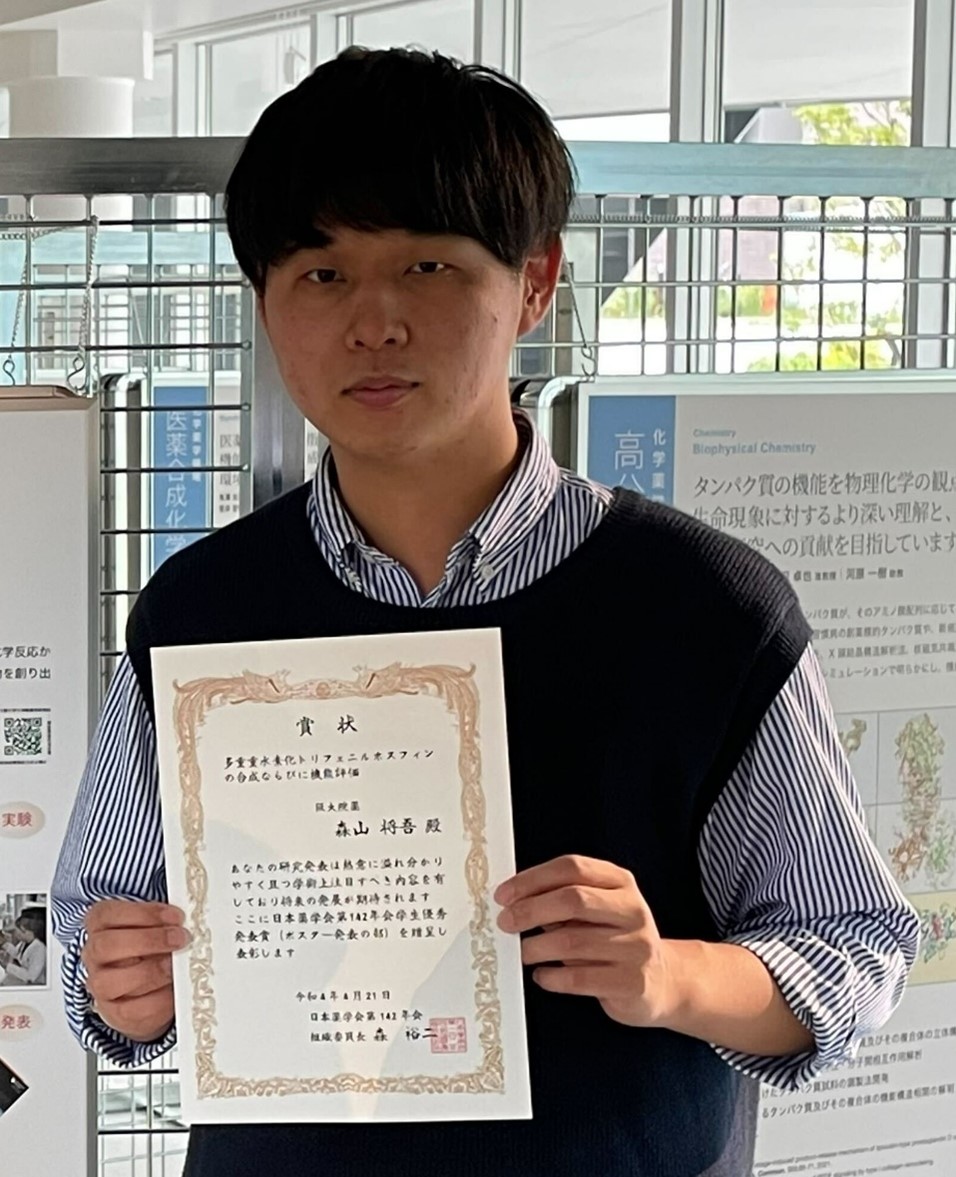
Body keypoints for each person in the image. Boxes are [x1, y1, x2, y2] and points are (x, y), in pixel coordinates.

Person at [52, 46, 919, 1177]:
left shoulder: (704, 608)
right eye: (321, 272)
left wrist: (669, 974)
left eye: (427, 265)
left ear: (535, 281)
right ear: (263, 301)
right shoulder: (202, 612)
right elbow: (96, 934)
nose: (373, 323)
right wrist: (122, 988)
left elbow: (852, 947)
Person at [0, 908, 47, 987]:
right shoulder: (24, 943)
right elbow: (17, 955)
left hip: (35, 986)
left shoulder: (39, 949)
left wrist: (8, 966)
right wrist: (5, 945)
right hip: (22, 982)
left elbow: (31, 977)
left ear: (27, 931)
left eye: (18, 931)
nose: (16, 934)